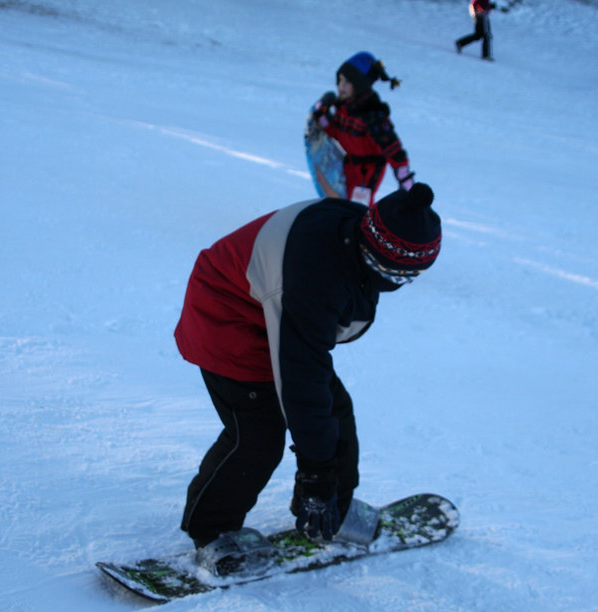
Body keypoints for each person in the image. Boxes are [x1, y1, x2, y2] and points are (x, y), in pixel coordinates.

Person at [174, 184, 442, 575]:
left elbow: (307, 364)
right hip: (225, 316)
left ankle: (334, 508)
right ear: (370, 248)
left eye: (408, 276)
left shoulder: (359, 236)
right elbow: (300, 376)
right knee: (257, 436)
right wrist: (314, 472)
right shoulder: (314, 273)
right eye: (390, 273)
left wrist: (324, 486)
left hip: (278, 315)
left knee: (334, 410)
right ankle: (211, 531)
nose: (395, 283)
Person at [312, 52, 415, 206]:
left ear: (359, 85)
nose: (341, 86)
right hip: (348, 164)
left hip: (367, 172)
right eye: (340, 80)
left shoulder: (372, 115)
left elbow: (392, 148)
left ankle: (360, 226)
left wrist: (404, 178)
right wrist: (322, 118)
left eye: (347, 83)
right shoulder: (344, 108)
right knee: (340, 203)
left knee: (357, 208)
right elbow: (337, 133)